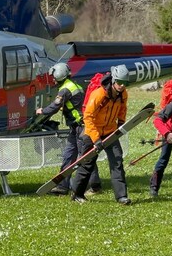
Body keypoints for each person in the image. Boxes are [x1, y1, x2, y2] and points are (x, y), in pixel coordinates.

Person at [70, 64, 131, 205]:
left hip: (110, 132)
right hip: (92, 133)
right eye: (120, 82)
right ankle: (77, 194)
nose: (122, 86)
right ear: (113, 81)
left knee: (117, 162)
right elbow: (88, 117)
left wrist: (121, 122)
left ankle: (121, 196)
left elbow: (122, 108)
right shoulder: (98, 94)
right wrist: (96, 139)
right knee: (87, 164)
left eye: (125, 83)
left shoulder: (123, 94)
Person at [36, 63, 101, 195]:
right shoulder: (74, 85)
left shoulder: (65, 89)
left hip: (81, 128)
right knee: (68, 156)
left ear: (59, 75)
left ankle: (95, 186)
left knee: (86, 156)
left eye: (53, 76)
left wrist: (42, 111)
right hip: (75, 128)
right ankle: (62, 186)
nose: (53, 79)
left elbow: (54, 107)